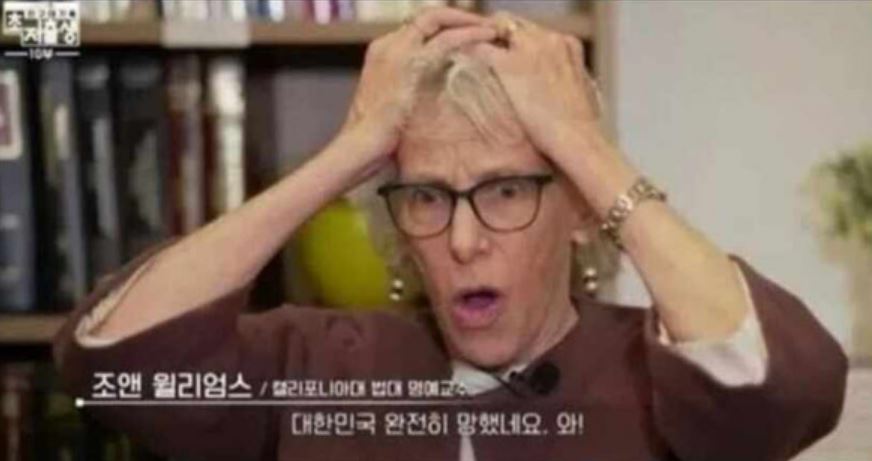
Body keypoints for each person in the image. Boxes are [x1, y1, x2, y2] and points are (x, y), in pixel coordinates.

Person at [54, 7, 847, 461]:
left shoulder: (655, 373)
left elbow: (783, 388)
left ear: (580, 210)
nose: (464, 240)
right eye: (428, 197)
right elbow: (116, 366)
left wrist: (582, 146)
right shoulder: (321, 365)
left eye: (507, 189)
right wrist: (352, 150)